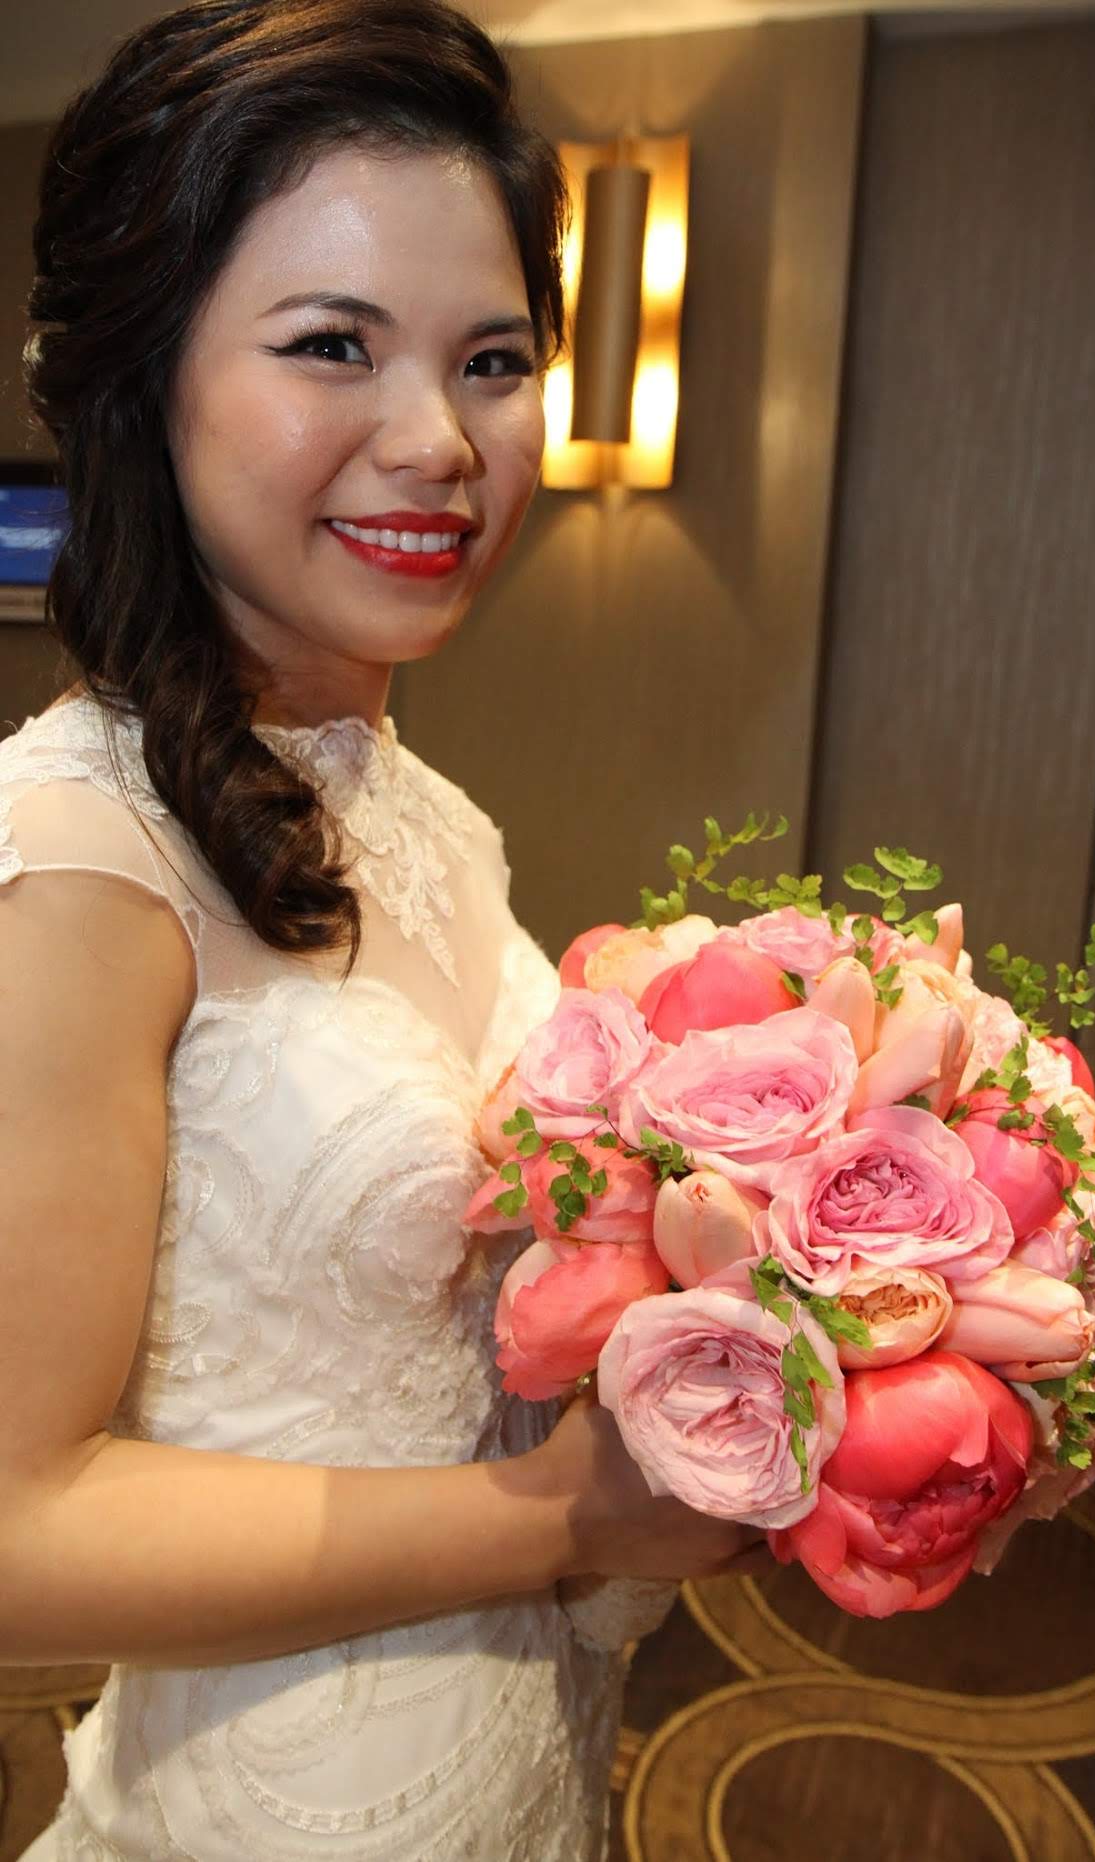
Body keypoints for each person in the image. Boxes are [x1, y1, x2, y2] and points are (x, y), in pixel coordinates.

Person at [0, 3, 762, 1854]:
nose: (437, 439)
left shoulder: (430, 816)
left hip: (514, 1754)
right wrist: (567, 1514)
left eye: (490, 358)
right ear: (146, 377)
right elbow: (13, 1533)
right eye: (332, 343)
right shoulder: (81, 856)